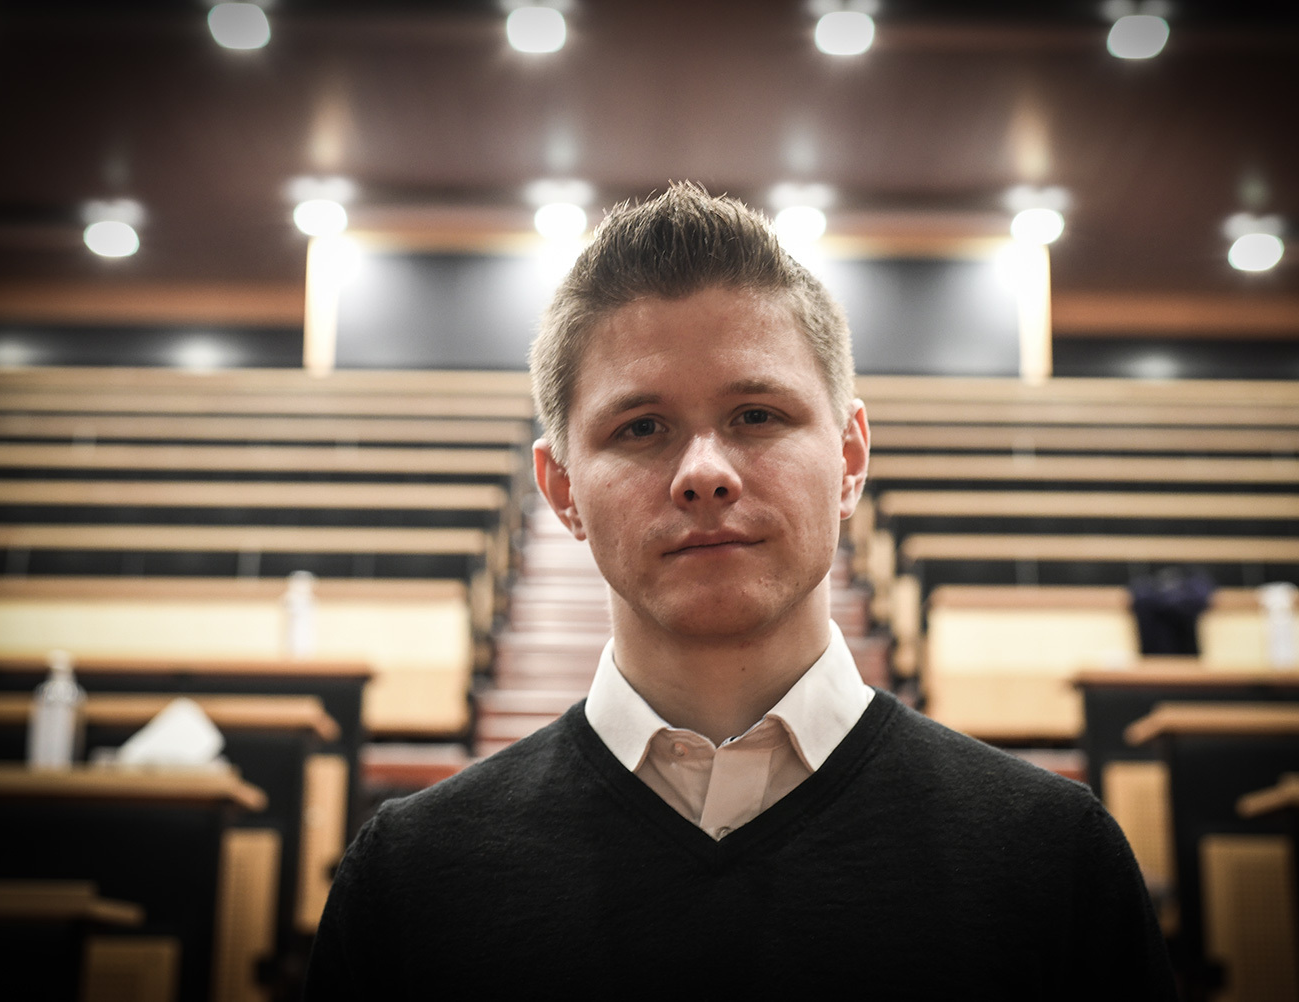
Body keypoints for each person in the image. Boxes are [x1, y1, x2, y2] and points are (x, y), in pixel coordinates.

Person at [304, 183, 1177, 997]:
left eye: (756, 416)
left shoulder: (1053, 856)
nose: (703, 473)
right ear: (561, 490)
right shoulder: (409, 878)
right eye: (640, 427)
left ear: (849, 458)